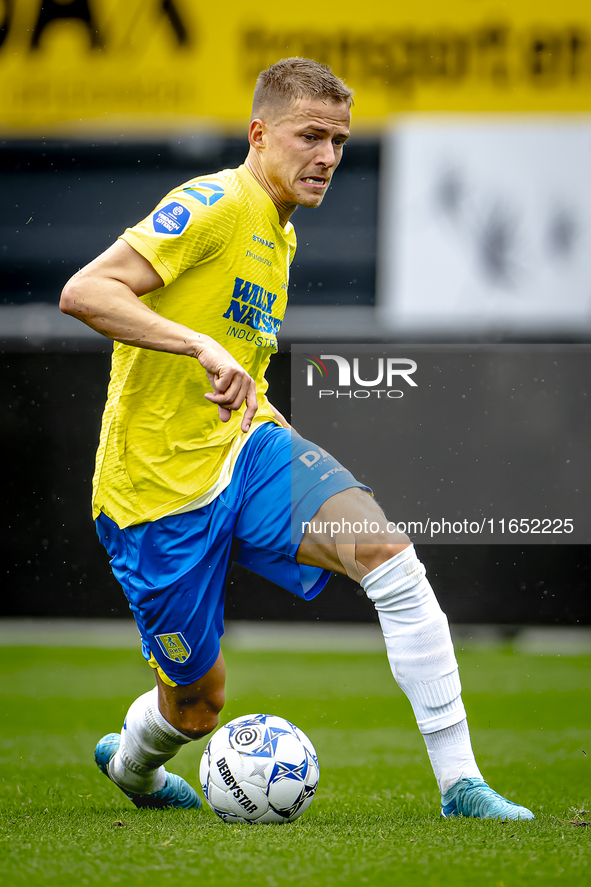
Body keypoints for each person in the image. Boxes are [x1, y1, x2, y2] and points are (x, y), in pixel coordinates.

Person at [60, 57, 534, 821]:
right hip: (154, 493)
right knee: (195, 706)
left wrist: (248, 398)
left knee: (389, 557)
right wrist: (198, 346)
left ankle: (460, 785)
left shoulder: (279, 233)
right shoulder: (213, 202)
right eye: (310, 135)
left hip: (245, 453)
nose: (327, 157)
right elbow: (84, 290)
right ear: (259, 133)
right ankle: (133, 765)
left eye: (340, 141)